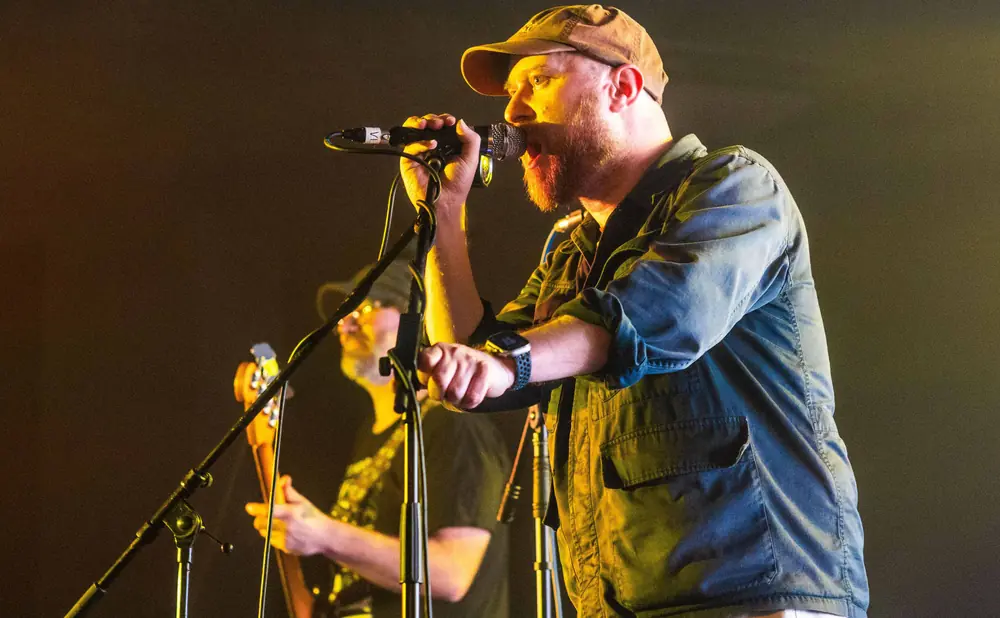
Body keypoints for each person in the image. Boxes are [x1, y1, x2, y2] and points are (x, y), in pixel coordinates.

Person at [400, 5, 869, 618]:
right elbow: (477, 367)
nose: (512, 112)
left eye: (535, 82)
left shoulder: (736, 186)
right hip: (626, 599)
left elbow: (653, 316)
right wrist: (443, 212)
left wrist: (503, 362)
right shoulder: (572, 252)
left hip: (756, 595)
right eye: (511, 94)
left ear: (622, 86)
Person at [245, 252, 511, 618]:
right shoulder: (370, 438)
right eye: (345, 315)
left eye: (367, 308)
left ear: (411, 322)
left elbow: (452, 573)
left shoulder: (455, 425)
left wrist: (324, 535)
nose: (345, 324)